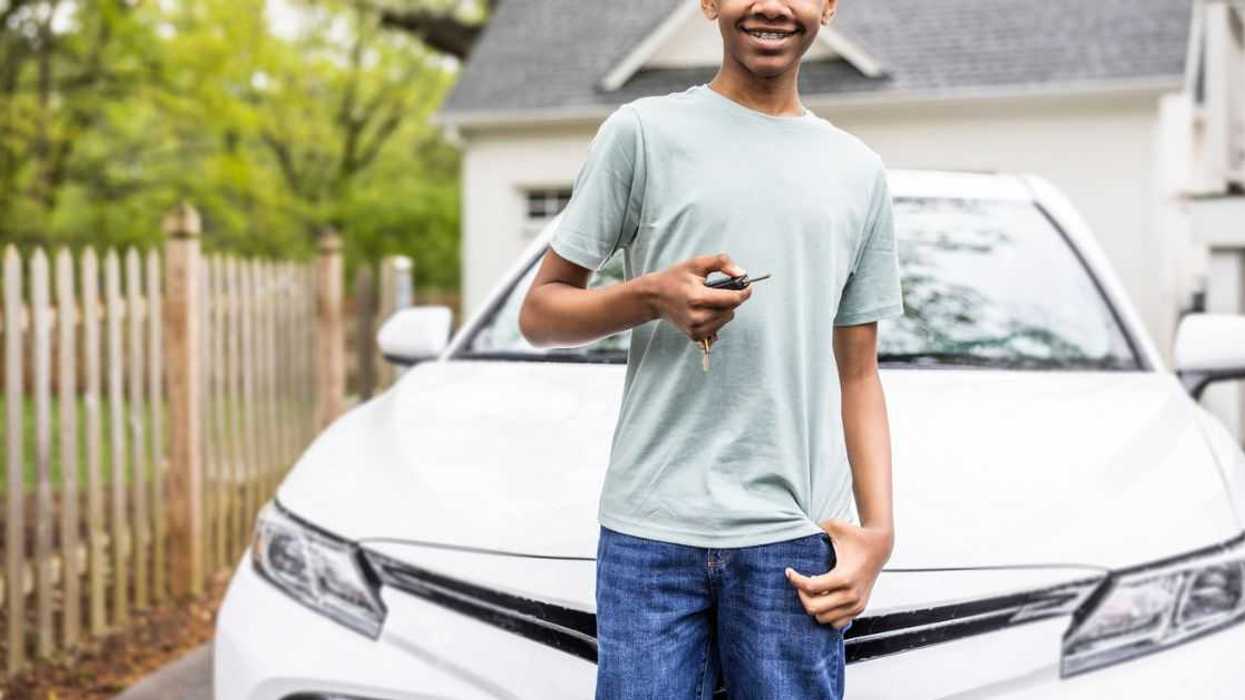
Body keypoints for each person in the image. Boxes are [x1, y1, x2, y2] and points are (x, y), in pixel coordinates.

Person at [518, 0, 903, 697]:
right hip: (649, 537)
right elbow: (541, 313)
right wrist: (648, 296)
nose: (770, 7)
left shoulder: (857, 171)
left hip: (793, 538)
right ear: (708, 4)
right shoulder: (641, 134)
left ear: (826, 6)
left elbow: (858, 374)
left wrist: (877, 534)